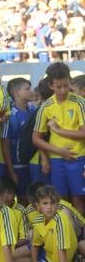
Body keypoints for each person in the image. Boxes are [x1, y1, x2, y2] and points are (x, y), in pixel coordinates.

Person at [32, 62, 85, 215]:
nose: (63, 90)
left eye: (66, 86)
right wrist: (57, 151)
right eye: (59, 87)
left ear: (70, 82)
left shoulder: (79, 103)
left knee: (78, 198)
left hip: (78, 158)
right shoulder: (46, 106)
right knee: (59, 200)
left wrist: (59, 130)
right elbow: (36, 138)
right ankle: (63, 232)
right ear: (51, 85)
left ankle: (79, 235)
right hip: (57, 160)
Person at [15, 185, 77, 262]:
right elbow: (35, 245)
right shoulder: (38, 221)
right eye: (45, 203)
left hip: (56, 260)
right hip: (46, 251)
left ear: (57, 204)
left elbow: (62, 247)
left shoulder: (60, 219)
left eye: (52, 203)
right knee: (10, 259)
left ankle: (76, 261)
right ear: (38, 206)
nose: (49, 207)